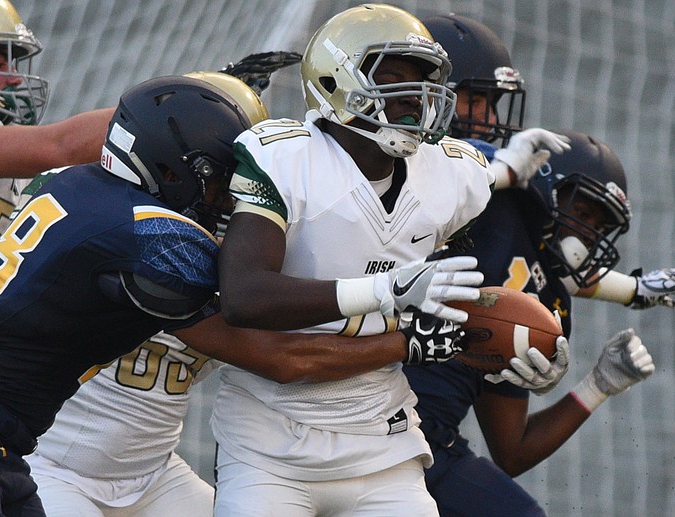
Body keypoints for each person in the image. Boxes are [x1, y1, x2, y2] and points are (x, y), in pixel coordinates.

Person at [0, 75, 465, 516]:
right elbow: (254, 303)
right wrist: (386, 298)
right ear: (174, 168)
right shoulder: (152, 237)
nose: (227, 203)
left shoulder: (68, 185)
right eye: (221, 185)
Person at [212, 5, 568, 516]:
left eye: (422, 81)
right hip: (269, 443)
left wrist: (516, 356)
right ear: (335, 77)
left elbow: (460, 300)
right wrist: (384, 291)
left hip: (383, 438)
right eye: (393, 78)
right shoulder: (285, 158)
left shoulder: (453, 177)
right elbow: (245, 297)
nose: (414, 96)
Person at [401, 13, 675, 517]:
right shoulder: (468, 191)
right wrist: (628, 290)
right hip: (354, 399)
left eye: (598, 223)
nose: (486, 117)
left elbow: (513, 450)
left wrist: (597, 385)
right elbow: (439, 175)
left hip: (427, 441)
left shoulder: (546, 293)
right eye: (473, 99)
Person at [22, 71, 272, 517]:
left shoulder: (242, 246)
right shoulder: (108, 223)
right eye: (224, 175)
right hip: (49, 463)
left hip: (154, 474)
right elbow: (279, 357)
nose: (235, 195)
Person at [0, 0, 113, 338]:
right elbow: (58, 146)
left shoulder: (9, 158)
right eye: (0, 60)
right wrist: (176, 107)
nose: (14, 78)